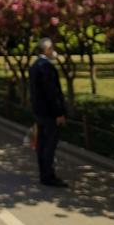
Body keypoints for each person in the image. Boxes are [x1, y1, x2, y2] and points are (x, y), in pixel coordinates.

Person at [28, 38, 68, 187]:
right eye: (51, 48)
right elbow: (52, 93)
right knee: (49, 145)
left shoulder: (34, 66)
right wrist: (59, 113)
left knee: (42, 144)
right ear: (47, 50)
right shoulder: (46, 67)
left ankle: (44, 174)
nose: (53, 51)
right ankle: (48, 176)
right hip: (49, 114)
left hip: (39, 112)